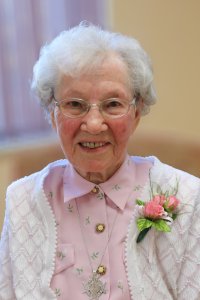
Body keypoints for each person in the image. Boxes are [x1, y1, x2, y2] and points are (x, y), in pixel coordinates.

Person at [0, 22, 200, 300]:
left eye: (113, 104)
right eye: (74, 104)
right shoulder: (22, 201)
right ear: (51, 112)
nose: (93, 124)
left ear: (137, 112)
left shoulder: (188, 197)